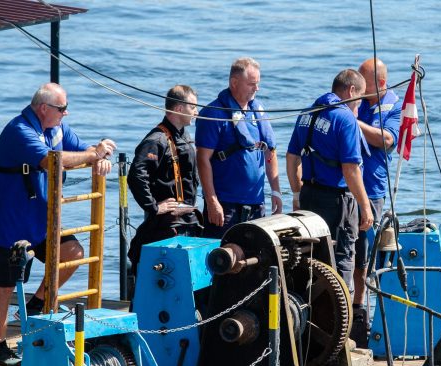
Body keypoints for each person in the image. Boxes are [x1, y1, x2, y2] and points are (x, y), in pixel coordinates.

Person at [0, 82, 116, 366]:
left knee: (74, 254)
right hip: (9, 222)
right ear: (44, 108)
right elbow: (51, 160)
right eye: (62, 108)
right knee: (3, 286)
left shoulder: (57, 129)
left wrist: (102, 156)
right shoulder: (19, 131)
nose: (66, 114)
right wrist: (93, 155)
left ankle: (36, 303)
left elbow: (85, 150)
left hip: (42, 221)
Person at [286, 69, 374, 293]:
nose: (359, 107)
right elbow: (351, 169)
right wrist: (365, 206)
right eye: (360, 99)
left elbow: (292, 157)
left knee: (310, 255)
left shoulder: (307, 113)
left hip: (309, 197)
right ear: (351, 91)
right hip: (337, 203)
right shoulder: (345, 119)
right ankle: (341, 319)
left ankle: (307, 314)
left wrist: (296, 194)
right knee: (342, 258)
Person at [195, 57, 281, 239]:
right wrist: (211, 201)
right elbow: (202, 159)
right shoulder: (214, 114)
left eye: (257, 84)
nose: (256, 89)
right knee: (221, 259)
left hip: (256, 203)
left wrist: (276, 190)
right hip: (225, 204)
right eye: (251, 84)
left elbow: (270, 151)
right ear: (234, 82)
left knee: (255, 258)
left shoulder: (257, 110)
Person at [351, 58, 401, 345]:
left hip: (372, 190)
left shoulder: (391, 104)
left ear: (380, 83)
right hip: (344, 187)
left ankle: (362, 313)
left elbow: (387, 139)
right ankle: (349, 310)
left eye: (364, 81)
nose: (358, 86)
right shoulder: (356, 99)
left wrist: (353, 121)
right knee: (348, 254)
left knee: (365, 255)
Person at [127, 85, 202, 270]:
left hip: (185, 219)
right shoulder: (157, 140)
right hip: (165, 223)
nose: (196, 112)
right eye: (193, 107)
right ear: (178, 108)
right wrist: (153, 207)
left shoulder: (184, 136)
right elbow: (136, 175)